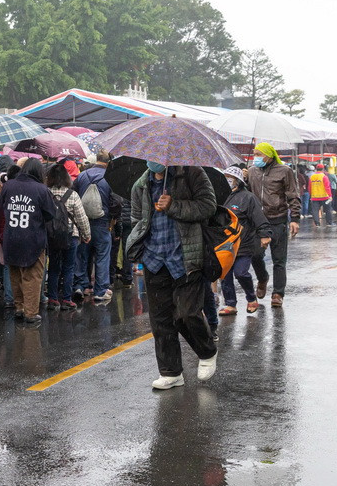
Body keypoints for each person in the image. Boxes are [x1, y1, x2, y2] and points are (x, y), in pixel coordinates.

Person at [127, 161, 218, 389]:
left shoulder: (193, 174)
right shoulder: (141, 185)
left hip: (186, 256)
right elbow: (136, 219)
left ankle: (206, 351)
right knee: (161, 320)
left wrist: (174, 205)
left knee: (187, 314)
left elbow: (208, 206)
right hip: (155, 259)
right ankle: (170, 372)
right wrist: (142, 248)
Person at [1, 158, 56, 326]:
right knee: (32, 276)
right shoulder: (41, 189)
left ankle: (19, 307)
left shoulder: (8, 186)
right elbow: (50, 213)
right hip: (33, 238)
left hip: (11, 237)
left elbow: (1, 205)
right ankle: (31, 312)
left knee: (15, 273)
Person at [246, 142, 301, 308]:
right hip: (257, 221)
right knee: (255, 255)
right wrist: (242, 178)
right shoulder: (251, 171)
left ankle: (278, 293)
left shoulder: (285, 171)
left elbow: (293, 195)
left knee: (279, 259)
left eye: (259, 154)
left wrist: (295, 219)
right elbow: (246, 193)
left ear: (269, 155)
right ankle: (262, 278)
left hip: (278, 219)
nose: (256, 158)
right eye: (254, 154)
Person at [217, 167, 269, 316]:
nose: (227, 180)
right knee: (225, 275)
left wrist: (265, 234)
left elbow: (259, 218)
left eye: (230, 177)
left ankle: (251, 298)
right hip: (225, 244)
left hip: (243, 243)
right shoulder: (221, 196)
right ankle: (230, 304)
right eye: (225, 177)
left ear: (238, 180)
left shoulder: (248, 198)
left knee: (241, 273)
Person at [45, 162, 90, 312]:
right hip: (70, 235)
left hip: (51, 236)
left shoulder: (46, 193)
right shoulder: (72, 195)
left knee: (53, 267)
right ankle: (66, 298)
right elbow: (81, 218)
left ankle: (52, 298)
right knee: (69, 267)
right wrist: (86, 234)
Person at [73, 150, 116, 304]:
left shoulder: (82, 175)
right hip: (102, 222)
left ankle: (80, 285)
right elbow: (116, 202)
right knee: (103, 256)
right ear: (109, 161)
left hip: (82, 221)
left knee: (82, 255)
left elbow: (74, 196)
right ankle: (101, 290)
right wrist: (113, 217)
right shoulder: (111, 177)